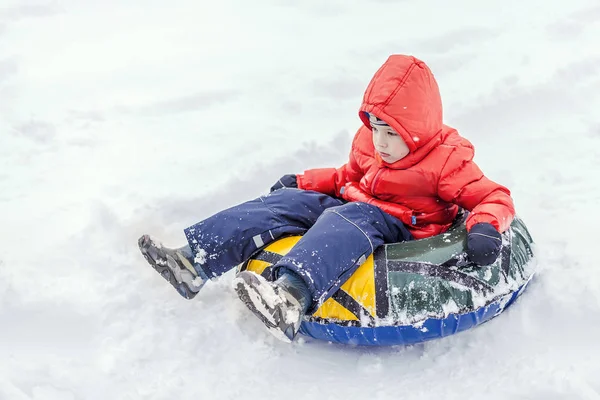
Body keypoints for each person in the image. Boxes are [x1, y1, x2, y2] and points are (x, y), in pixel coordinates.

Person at [137, 55, 515, 343]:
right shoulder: (370, 143)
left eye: (392, 133)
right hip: (355, 203)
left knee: (346, 221)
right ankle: (192, 261)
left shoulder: (446, 160)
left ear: (418, 130)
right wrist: (303, 182)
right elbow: (346, 177)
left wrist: (484, 226)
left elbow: (493, 196)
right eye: (376, 128)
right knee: (285, 205)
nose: (380, 142)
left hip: (401, 225)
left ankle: (290, 296)